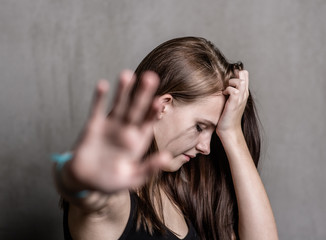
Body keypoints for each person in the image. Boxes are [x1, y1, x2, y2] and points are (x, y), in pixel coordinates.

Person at [52, 36, 278, 240]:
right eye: (200, 126)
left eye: (215, 132)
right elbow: (94, 195)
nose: (206, 148)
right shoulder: (118, 201)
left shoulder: (184, 197)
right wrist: (81, 176)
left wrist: (232, 134)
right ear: (163, 106)